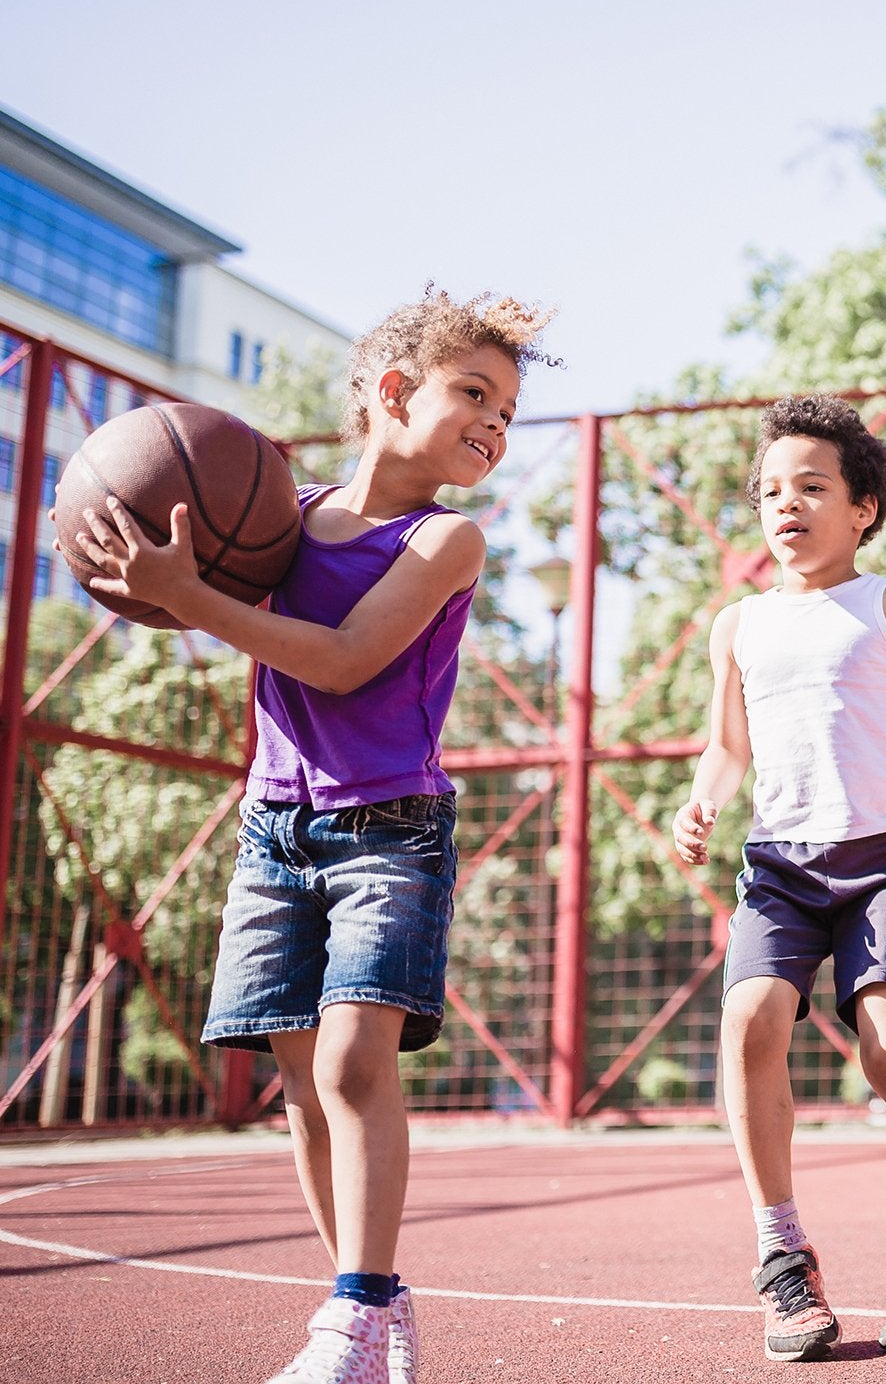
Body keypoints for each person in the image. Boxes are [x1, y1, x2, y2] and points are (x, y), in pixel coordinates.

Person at [63, 287, 552, 1384]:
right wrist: (145, 568)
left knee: (350, 1058)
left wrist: (189, 598)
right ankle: (369, 1305)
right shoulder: (283, 519)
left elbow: (337, 658)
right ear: (390, 392)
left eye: (509, 410)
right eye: (474, 392)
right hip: (273, 828)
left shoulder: (446, 539)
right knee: (300, 1077)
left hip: (391, 830)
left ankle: (352, 1315)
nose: (495, 422)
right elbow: (216, 589)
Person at [672, 393, 886, 1362]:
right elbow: (726, 746)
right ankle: (782, 1256)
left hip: (882, 857)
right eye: (771, 490)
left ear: (862, 506)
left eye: (812, 486)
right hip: (779, 863)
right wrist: (701, 801)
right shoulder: (738, 624)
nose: (787, 504)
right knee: (750, 1018)